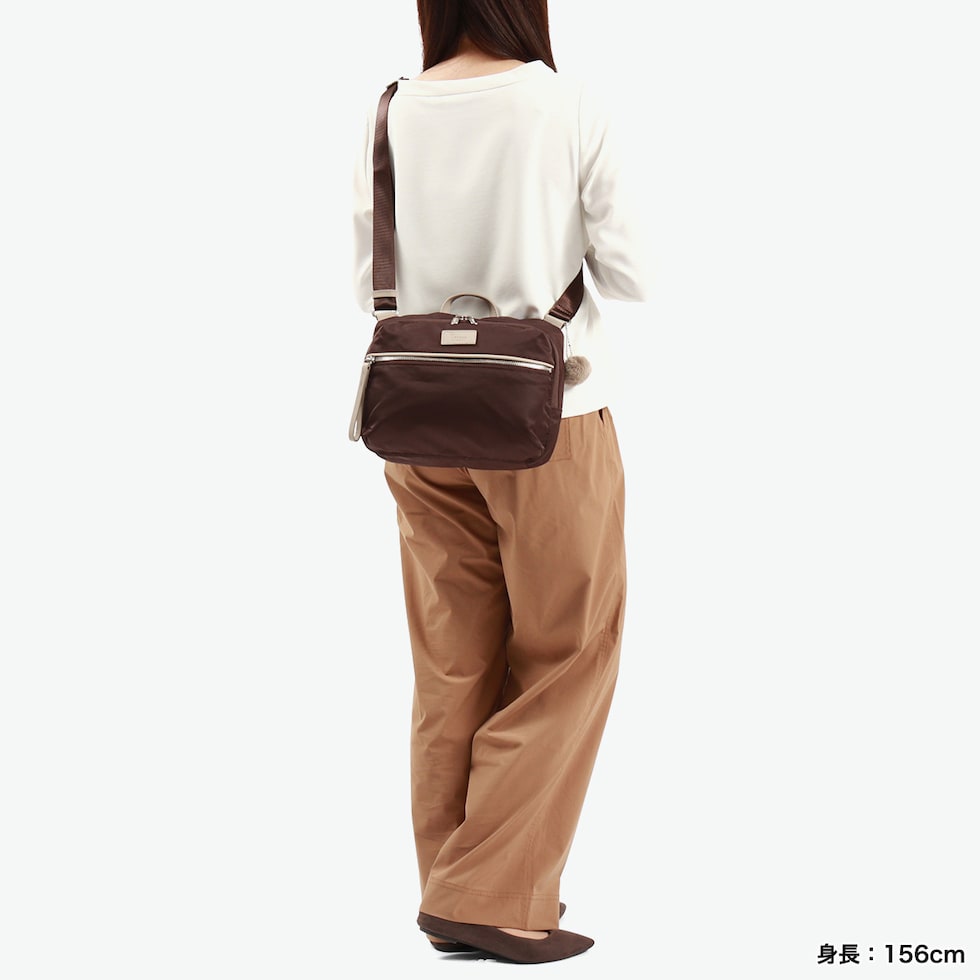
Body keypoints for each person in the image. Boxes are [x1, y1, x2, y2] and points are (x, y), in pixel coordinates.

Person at [351, 0, 649, 964]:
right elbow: (638, 271)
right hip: (548, 416)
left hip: (417, 417)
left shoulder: (393, 106)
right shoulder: (565, 104)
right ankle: (488, 899)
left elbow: (365, 282)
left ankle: (454, 891)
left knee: (452, 663)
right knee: (570, 651)